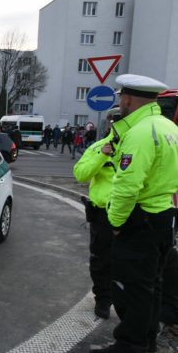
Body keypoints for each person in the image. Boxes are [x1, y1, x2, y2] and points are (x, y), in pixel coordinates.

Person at [89, 74, 178, 353]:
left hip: (141, 220)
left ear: (128, 99)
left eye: (122, 97)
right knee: (151, 286)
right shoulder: (171, 129)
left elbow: (127, 186)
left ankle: (128, 351)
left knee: (130, 289)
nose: (121, 102)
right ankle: (147, 339)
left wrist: (115, 223)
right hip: (164, 217)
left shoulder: (140, 133)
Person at [74, 130, 118, 319]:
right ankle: (103, 299)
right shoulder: (98, 146)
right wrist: (102, 156)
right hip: (103, 215)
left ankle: (127, 301)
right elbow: (80, 174)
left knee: (132, 261)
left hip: (134, 212)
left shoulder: (141, 143)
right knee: (101, 260)